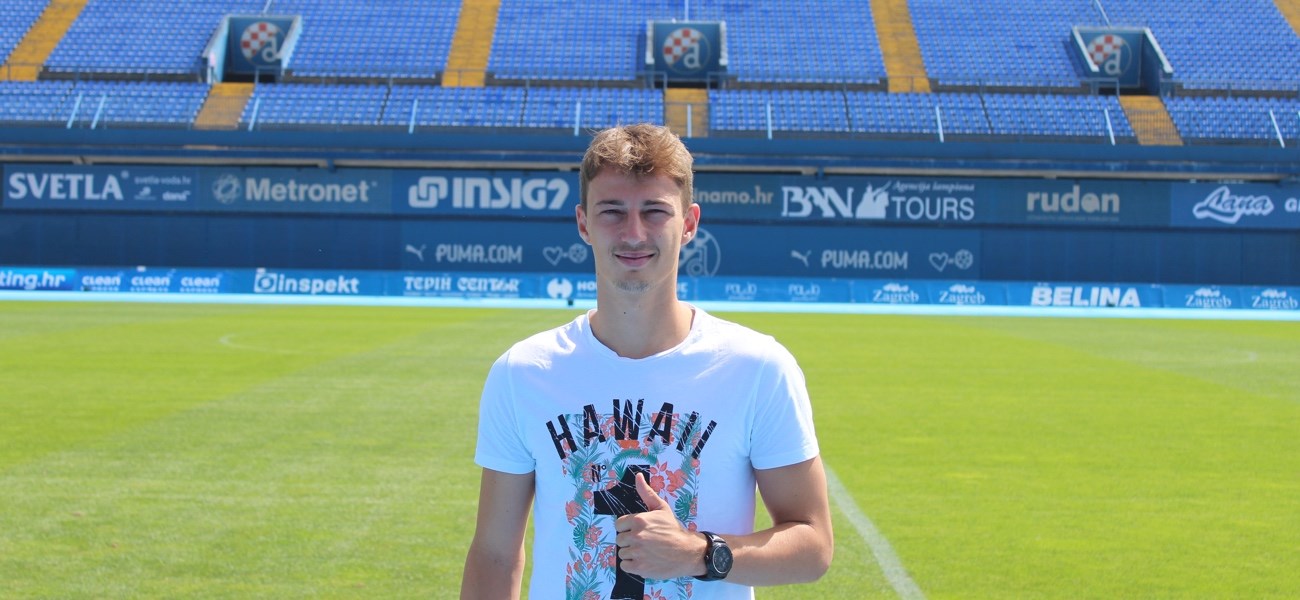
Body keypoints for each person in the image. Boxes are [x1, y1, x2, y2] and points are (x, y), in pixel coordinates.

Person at [461, 123, 833, 599]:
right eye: (612, 212)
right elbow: (494, 554)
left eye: (654, 211)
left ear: (689, 223)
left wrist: (700, 553)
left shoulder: (758, 368)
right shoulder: (524, 373)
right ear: (583, 223)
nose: (633, 233)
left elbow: (813, 545)